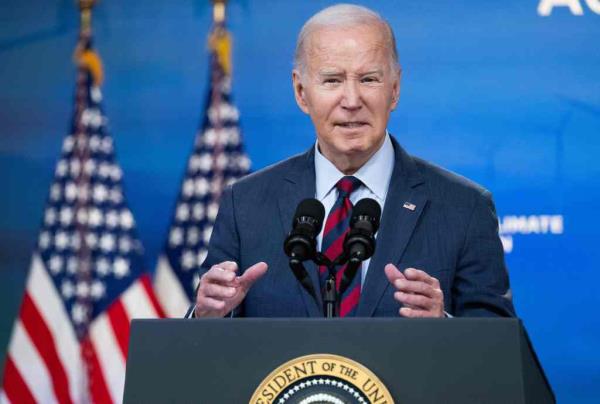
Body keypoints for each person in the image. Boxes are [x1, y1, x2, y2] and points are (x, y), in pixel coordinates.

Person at [189, 4, 515, 319]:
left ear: (395, 89)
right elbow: (206, 339)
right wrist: (207, 315)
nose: (351, 100)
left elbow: (496, 352)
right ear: (301, 92)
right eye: (332, 80)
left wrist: (443, 325)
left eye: (369, 79)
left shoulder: (465, 207)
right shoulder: (245, 204)